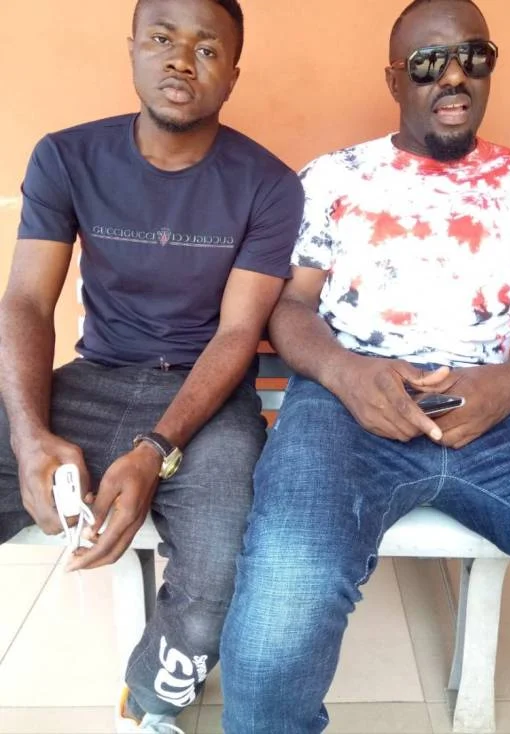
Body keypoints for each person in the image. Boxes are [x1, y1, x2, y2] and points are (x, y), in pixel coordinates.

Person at [219, 0, 510, 731]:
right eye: (428, 63)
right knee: (286, 595)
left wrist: (507, 385)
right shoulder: (333, 179)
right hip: (347, 405)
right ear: (395, 79)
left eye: (473, 56)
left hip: (498, 408)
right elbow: (290, 307)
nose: (453, 76)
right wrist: (344, 372)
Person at [0, 0, 303, 731]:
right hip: (92, 379)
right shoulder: (66, 157)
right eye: (162, 38)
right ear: (133, 47)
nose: (181, 60)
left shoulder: (268, 183)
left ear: (233, 73)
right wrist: (30, 435)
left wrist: (155, 448)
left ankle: (154, 698)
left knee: (226, 562)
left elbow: (238, 332)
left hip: (205, 399)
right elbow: (26, 302)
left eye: (207, 49)